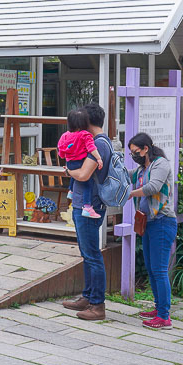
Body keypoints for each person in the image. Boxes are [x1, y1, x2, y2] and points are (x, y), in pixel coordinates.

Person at [61, 102, 113, 321]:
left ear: (87, 122)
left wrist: (68, 170)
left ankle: (97, 305)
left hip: (89, 206)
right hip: (82, 203)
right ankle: (88, 297)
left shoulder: (99, 144)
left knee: (92, 255)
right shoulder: (92, 141)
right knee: (87, 253)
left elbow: (83, 174)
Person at [126, 132, 177, 330]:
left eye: (136, 152)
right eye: (131, 153)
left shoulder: (160, 164)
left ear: (146, 148)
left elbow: (153, 187)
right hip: (149, 223)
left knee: (159, 270)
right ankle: (158, 309)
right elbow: (125, 174)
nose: (134, 156)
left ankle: (164, 317)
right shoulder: (141, 169)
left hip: (163, 222)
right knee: (151, 268)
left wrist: (131, 193)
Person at [58, 109, 104, 219]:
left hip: (70, 162)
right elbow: (91, 148)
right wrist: (98, 158)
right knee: (88, 185)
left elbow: (60, 150)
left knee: (74, 174)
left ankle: (71, 191)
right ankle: (87, 207)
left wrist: (66, 155)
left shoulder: (65, 135)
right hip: (80, 162)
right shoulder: (85, 135)